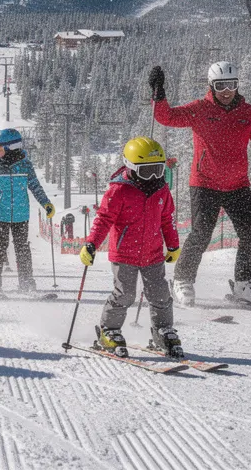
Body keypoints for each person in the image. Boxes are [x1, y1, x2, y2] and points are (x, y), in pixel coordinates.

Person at [150, 61, 251, 307]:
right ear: (212, 85)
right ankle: (182, 279)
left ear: (237, 85)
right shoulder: (199, 109)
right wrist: (159, 92)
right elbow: (166, 117)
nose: (226, 90)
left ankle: (244, 282)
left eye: (231, 84)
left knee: (250, 234)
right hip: (205, 184)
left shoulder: (247, 112)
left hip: (237, 185)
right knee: (201, 234)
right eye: (221, 85)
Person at [81, 137, 184, 358]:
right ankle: (109, 330)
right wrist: (91, 244)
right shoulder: (119, 190)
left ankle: (162, 330)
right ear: (131, 167)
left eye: (158, 170)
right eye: (147, 172)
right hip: (124, 254)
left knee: (160, 294)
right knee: (125, 294)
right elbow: (103, 219)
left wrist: (173, 245)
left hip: (153, 254)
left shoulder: (162, 190)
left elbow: (168, 219)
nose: (154, 177)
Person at [0, 128, 54, 293]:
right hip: (0, 214)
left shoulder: (25, 166)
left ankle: (26, 280)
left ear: (10, 147)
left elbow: (35, 186)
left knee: (22, 247)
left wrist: (46, 203)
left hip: (20, 214)